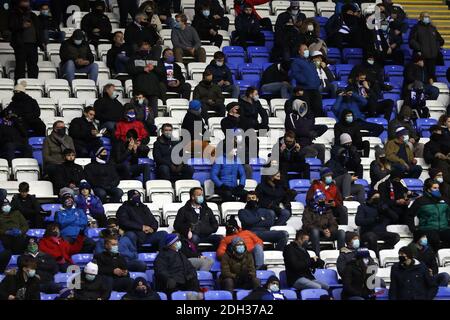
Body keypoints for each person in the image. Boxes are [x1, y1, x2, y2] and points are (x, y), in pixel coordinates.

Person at [284, 89, 327, 162]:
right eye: (300, 107)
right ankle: (305, 167)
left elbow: (311, 127)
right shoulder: (291, 116)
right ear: (296, 106)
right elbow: (293, 130)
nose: (302, 109)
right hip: (299, 144)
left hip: (308, 143)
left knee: (321, 147)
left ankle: (320, 167)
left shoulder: (305, 117)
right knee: (312, 151)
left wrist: (316, 133)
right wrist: (308, 133)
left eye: (303, 107)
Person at [410, 179, 450, 253]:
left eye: (438, 188)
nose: (437, 190)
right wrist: (413, 229)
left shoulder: (445, 200)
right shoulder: (420, 201)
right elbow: (409, 215)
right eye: (434, 188)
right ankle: (434, 256)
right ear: (428, 190)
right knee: (434, 238)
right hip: (427, 228)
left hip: (444, 228)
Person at [302, 189, 346, 256]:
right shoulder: (308, 210)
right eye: (320, 200)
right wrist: (322, 231)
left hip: (327, 234)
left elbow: (334, 224)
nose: (322, 201)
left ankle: (342, 256)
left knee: (341, 232)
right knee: (314, 231)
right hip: (313, 234)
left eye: (323, 199)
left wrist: (329, 230)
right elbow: (307, 225)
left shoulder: (327, 210)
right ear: (315, 200)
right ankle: (317, 255)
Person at [127, 40, 164, 117]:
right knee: (139, 114)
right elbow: (130, 70)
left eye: (146, 49)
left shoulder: (155, 59)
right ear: (139, 49)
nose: (145, 51)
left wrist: (154, 68)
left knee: (153, 115)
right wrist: (142, 69)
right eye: (143, 49)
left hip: (153, 92)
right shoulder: (133, 58)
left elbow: (162, 72)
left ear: (150, 49)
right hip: (139, 92)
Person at [9, 0, 43, 81]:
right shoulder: (14, 14)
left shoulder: (33, 15)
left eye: (27, 2)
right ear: (19, 3)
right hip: (20, 44)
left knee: (33, 66)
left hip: (33, 44)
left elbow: (38, 29)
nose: (26, 3)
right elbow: (11, 26)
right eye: (24, 2)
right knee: (20, 67)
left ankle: (33, 84)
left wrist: (40, 42)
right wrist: (22, 25)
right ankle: (19, 86)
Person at [326, 137, 365, 204]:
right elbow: (328, 179)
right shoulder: (330, 163)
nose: (344, 157)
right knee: (347, 176)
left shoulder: (343, 165)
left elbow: (356, 161)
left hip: (343, 188)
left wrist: (351, 180)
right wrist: (348, 179)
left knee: (360, 187)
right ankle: (346, 198)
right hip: (334, 186)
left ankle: (361, 205)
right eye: (343, 155)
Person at [289, 43, 324, 117]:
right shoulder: (296, 61)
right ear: (299, 51)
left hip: (315, 89)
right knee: (307, 112)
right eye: (304, 49)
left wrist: (318, 82)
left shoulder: (311, 62)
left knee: (318, 110)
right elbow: (295, 74)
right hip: (305, 90)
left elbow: (316, 74)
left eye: (307, 49)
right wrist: (305, 81)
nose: (307, 51)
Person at [409, 12, 444, 83]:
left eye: (428, 17)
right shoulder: (416, 28)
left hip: (432, 57)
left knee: (432, 76)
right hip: (421, 57)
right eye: (425, 17)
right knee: (422, 76)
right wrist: (419, 49)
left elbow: (440, 40)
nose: (427, 18)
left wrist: (436, 48)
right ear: (421, 18)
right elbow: (412, 41)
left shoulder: (433, 28)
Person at [424, 126, 450, 192]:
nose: (437, 133)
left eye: (438, 131)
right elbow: (427, 158)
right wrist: (436, 155)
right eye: (435, 131)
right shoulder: (428, 144)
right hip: (438, 167)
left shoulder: (447, 142)